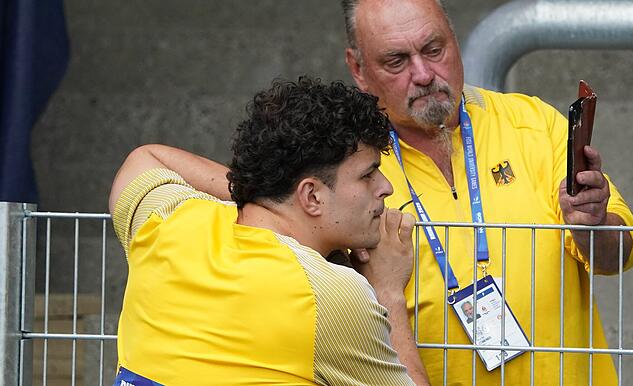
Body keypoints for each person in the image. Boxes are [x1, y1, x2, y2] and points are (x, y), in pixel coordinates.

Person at [341, 0, 633, 385]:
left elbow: (619, 257)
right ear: (358, 69)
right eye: (397, 61)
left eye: (434, 49)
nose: (424, 74)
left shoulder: (532, 122)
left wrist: (593, 224)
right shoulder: (347, 166)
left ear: (454, 38)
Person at [109, 77, 429, 385]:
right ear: (312, 196)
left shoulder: (167, 223)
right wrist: (387, 292)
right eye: (368, 175)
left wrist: (263, 191)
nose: (385, 188)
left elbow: (145, 158)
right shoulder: (329, 295)